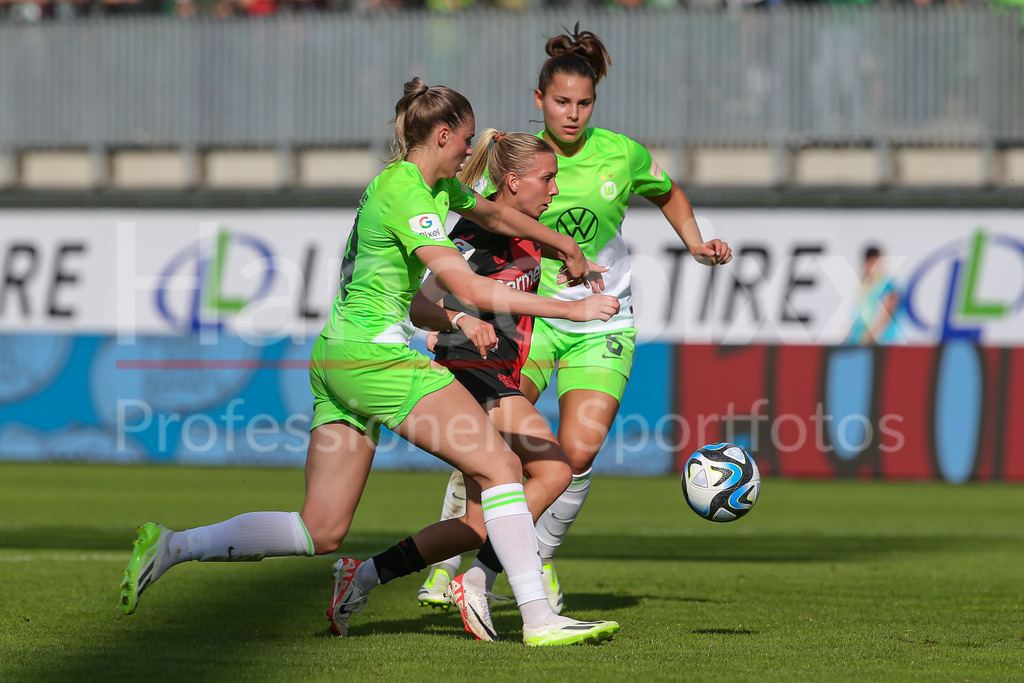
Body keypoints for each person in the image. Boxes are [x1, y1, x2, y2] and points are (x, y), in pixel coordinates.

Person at [119, 77, 622, 647]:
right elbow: (466, 285)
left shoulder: (430, 189)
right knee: (504, 471)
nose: (469, 153)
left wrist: (566, 247)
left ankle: (174, 545)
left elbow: (499, 218)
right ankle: (538, 618)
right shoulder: (408, 192)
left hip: (335, 358)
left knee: (321, 529)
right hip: (374, 360)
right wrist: (572, 311)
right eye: (464, 142)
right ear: (442, 134)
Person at [418, 25, 733, 616]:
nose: (573, 113)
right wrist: (449, 310)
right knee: (490, 442)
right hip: (528, 323)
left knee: (576, 456)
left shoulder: (622, 153)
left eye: (583, 103)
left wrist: (694, 244)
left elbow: (669, 194)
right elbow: (463, 232)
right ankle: (444, 566)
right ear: (539, 100)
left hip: (603, 320)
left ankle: (530, 560)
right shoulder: (512, 162)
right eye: (561, 102)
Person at [402, 129, 593, 641]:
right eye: (547, 179)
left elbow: (516, 275)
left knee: (477, 522)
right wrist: (462, 323)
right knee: (554, 470)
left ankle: (366, 574)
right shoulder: (473, 233)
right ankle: (480, 580)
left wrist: (580, 267)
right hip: (470, 369)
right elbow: (421, 305)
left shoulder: (527, 230)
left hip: (498, 373)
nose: (554, 190)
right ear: (512, 181)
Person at [848, 245, 902, 345]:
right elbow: (858, 313)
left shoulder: (887, 284)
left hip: (881, 341)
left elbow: (887, 311)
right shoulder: (863, 286)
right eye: (870, 262)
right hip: (861, 339)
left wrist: (872, 335)